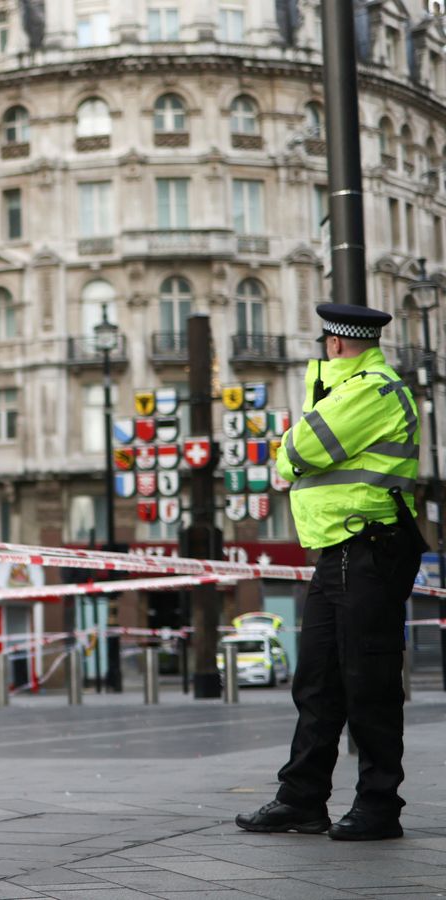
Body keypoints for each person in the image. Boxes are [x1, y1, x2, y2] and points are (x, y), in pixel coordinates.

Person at [236, 303, 424, 842]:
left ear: (335, 343)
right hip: (337, 551)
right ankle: (301, 800)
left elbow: (297, 451)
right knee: (316, 681)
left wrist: (288, 447)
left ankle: (379, 805)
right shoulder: (343, 389)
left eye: (325, 343)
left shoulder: (370, 389)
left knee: (369, 682)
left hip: (367, 547)